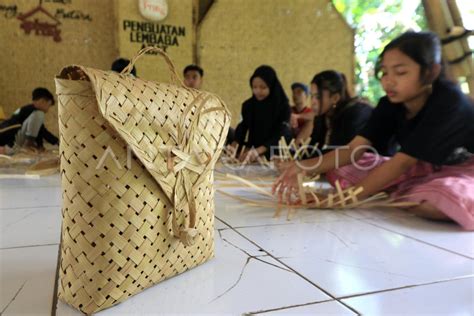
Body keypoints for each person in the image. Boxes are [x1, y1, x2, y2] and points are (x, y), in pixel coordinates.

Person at [273, 31, 474, 230]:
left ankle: (400, 190)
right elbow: (353, 149)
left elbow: (402, 163)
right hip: (423, 168)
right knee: (342, 168)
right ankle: (399, 189)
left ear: (430, 72)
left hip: (464, 170)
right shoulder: (390, 103)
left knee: (436, 202)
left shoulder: (449, 101)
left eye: (401, 72)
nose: (389, 81)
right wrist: (303, 166)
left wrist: (341, 198)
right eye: (385, 72)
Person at [230, 65, 291, 162]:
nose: (258, 91)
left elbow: (282, 133)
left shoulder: (283, 107)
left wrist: (259, 150)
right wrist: (234, 145)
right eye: (254, 87)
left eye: (263, 87)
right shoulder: (248, 106)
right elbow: (242, 127)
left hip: (275, 155)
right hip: (252, 154)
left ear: (272, 86)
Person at [0, 87, 58, 152]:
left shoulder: (28, 110)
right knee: (39, 114)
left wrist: (54, 142)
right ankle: (28, 144)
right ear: (42, 101)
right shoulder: (37, 113)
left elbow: (41, 130)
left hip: (6, 138)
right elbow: (42, 131)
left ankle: (29, 144)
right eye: (49, 105)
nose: (48, 110)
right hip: (9, 141)